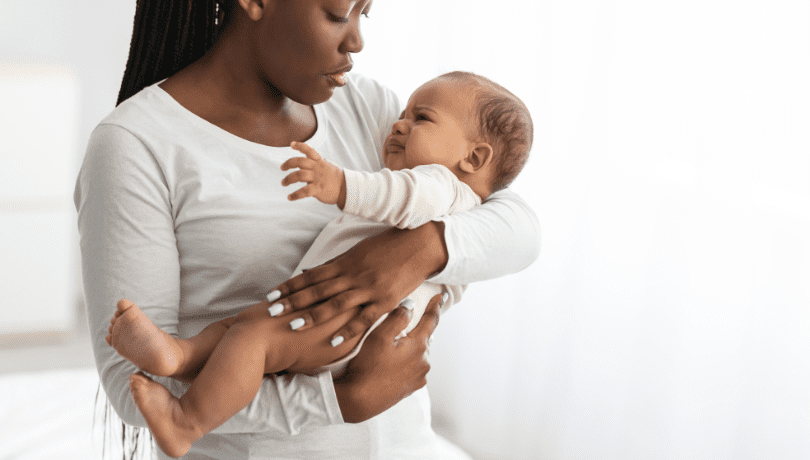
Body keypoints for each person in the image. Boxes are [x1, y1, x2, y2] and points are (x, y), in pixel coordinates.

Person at [74, 1, 540, 459]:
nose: (357, 40)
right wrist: (340, 400)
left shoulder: (368, 108)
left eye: (366, 13)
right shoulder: (135, 146)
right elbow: (133, 386)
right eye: (339, 14)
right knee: (243, 334)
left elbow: (515, 224)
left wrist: (423, 248)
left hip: (405, 446)